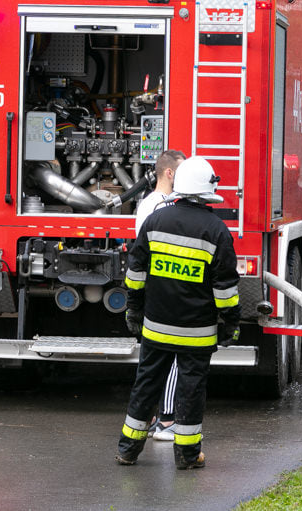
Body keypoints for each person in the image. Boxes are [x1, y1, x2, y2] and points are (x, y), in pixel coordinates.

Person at [116, 156, 241, 470]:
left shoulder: (155, 221)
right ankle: (187, 455)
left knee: (146, 384)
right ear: (207, 191)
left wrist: (134, 309)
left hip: (155, 326)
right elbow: (225, 289)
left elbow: (135, 272)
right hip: (196, 333)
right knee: (190, 390)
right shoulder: (216, 231)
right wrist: (230, 324)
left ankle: (128, 450)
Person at [133, 150, 186, 441]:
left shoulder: (147, 205)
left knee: (156, 358)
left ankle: (152, 417)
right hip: (164, 289)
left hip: (154, 290)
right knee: (174, 356)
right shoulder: (160, 207)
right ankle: (167, 421)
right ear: (169, 173)